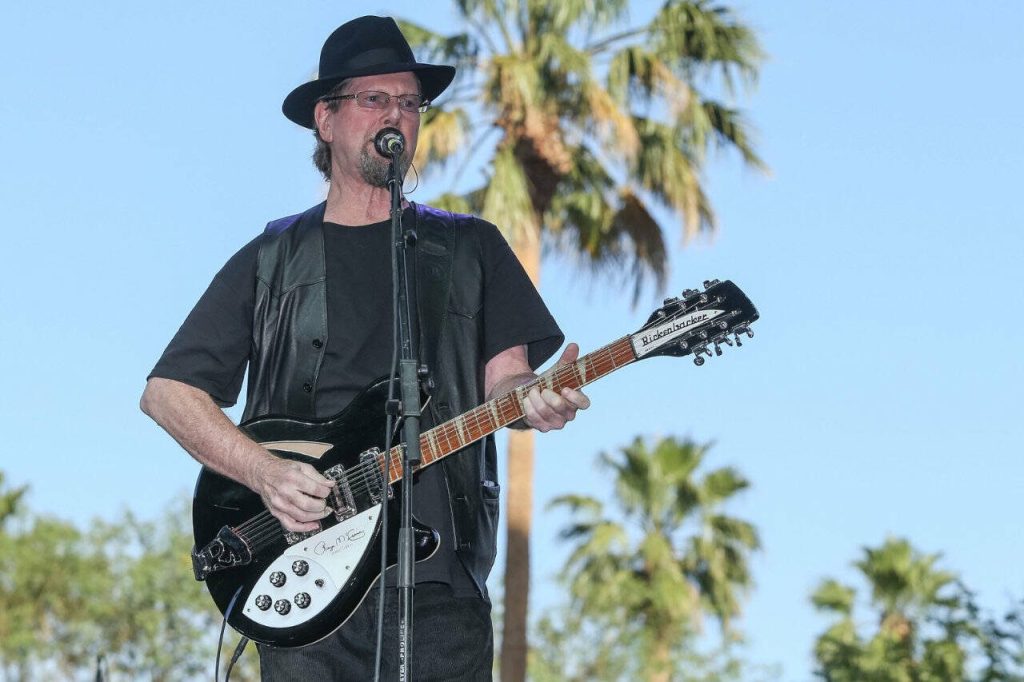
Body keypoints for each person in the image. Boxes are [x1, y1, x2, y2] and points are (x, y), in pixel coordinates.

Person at [140, 15, 589, 681]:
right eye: (374, 99)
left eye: (409, 102)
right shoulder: (272, 258)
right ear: (326, 120)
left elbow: (507, 385)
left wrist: (535, 401)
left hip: (439, 591)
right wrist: (266, 474)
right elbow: (168, 393)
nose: (397, 115)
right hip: (303, 581)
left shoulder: (470, 248)